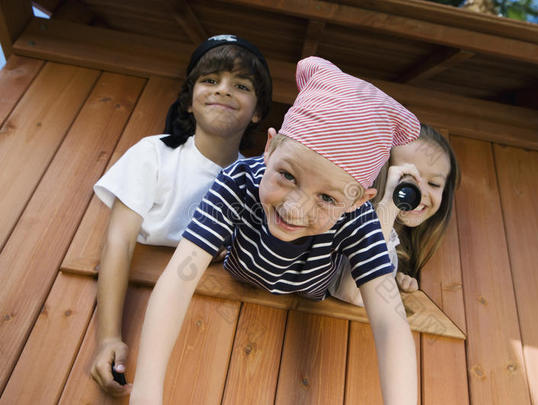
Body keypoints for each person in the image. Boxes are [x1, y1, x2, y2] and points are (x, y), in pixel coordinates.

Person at [129, 56, 421, 405]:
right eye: (287, 175)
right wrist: (146, 392)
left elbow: (391, 322)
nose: (295, 208)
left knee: (358, 287)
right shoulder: (236, 183)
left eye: (327, 197)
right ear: (269, 148)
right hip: (244, 267)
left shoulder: (359, 219)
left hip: (314, 286)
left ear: (359, 201)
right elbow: (178, 279)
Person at [89, 34, 272, 396]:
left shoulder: (258, 182)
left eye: (240, 84)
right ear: (188, 101)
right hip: (138, 311)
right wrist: (109, 336)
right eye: (210, 80)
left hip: (222, 333)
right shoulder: (154, 154)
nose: (223, 90)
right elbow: (119, 242)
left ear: (258, 112)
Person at [328, 124, 460, 306]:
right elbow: (352, 293)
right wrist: (389, 205)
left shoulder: (398, 245)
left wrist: (394, 279)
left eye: (434, 184)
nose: (419, 193)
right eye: (407, 177)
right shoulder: (350, 223)